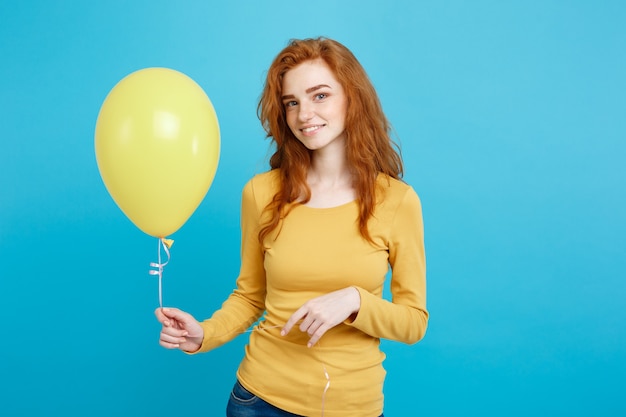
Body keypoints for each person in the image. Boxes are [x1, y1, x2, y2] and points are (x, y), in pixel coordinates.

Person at [155, 37, 428, 417]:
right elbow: (250, 297)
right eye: (292, 103)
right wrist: (204, 333)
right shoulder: (261, 193)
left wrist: (355, 301)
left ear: (353, 97)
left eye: (320, 96)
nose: (304, 115)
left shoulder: (397, 202)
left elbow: (414, 322)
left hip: (353, 405)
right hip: (259, 401)